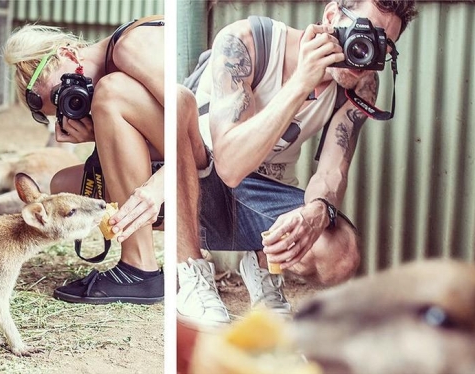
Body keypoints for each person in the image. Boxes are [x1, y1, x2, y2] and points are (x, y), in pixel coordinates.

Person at [176, 0, 417, 325]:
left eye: (382, 46)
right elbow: (230, 166)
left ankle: (262, 269)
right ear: (332, 16)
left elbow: (334, 169)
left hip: (261, 199)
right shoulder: (247, 42)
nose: (366, 55)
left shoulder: (361, 83)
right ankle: (192, 275)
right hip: (192, 184)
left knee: (341, 252)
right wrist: (303, 81)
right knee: (178, 102)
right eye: (365, 33)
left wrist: (318, 210)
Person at [3, 18, 165, 304]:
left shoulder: (130, 46)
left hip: (207, 159)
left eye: (62, 92)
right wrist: (99, 136)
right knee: (64, 183)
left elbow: (188, 128)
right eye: (64, 106)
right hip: (176, 163)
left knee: (110, 92)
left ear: (67, 54)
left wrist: (159, 187)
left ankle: (140, 269)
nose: (74, 103)